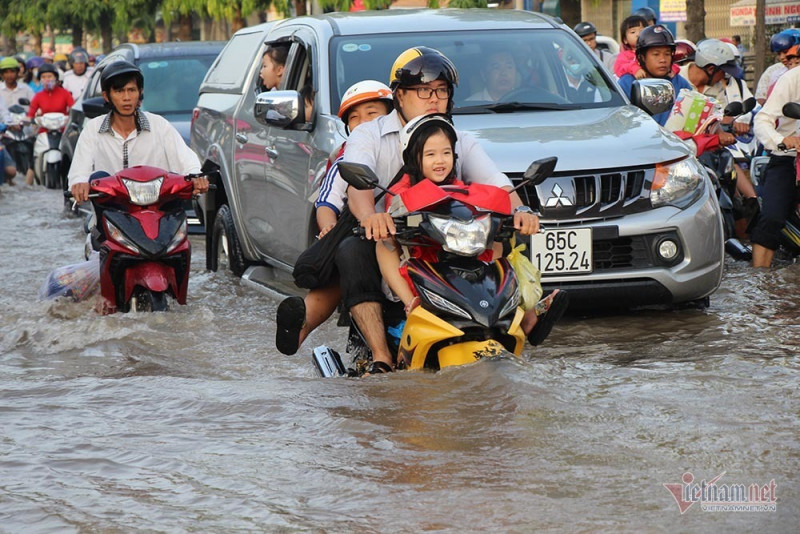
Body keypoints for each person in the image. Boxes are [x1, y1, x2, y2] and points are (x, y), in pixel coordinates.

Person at [337, 47, 550, 374]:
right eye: (424, 90)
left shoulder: (460, 139)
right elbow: (359, 188)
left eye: (441, 90)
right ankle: (382, 352)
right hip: (396, 235)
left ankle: (523, 314)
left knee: (505, 238)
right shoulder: (371, 134)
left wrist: (521, 210)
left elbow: (496, 184)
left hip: (451, 236)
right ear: (399, 96)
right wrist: (372, 217)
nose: (434, 98)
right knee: (356, 250)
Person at [275, 80, 394, 356]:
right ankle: (301, 329)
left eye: (372, 114)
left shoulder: (417, 146)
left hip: (411, 233)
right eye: (355, 118)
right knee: (343, 262)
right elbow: (327, 200)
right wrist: (328, 224)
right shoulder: (346, 158)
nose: (363, 123)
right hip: (367, 234)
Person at [67, 60, 208, 203]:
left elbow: (186, 160)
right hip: (110, 211)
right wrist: (79, 183)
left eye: (131, 90)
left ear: (140, 93)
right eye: (119, 91)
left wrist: (196, 176)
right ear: (106, 96)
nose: (126, 98)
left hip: (157, 209)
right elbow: (79, 171)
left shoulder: (159, 125)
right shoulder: (92, 129)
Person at [617, 25, 736, 155]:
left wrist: (720, 132)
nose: (663, 60)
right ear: (642, 57)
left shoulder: (679, 82)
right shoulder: (627, 83)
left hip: (677, 151)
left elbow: (699, 111)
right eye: (656, 54)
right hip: (640, 151)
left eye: (667, 54)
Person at [751, 65, 800, 268]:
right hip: (786, 157)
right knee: (771, 217)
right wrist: (781, 140)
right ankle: (760, 279)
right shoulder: (792, 79)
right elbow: (763, 119)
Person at [755, 30, 800, 105]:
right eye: (779, 54)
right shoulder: (773, 72)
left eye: (786, 52)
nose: (782, 57)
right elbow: (761, 98)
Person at [613, 15, 649, 79]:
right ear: (625, 40)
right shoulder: (624, 55)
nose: (638, 34)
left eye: (641, 31)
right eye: (633, 32)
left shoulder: (652, 51)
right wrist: (634, 68)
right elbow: (619, 68)